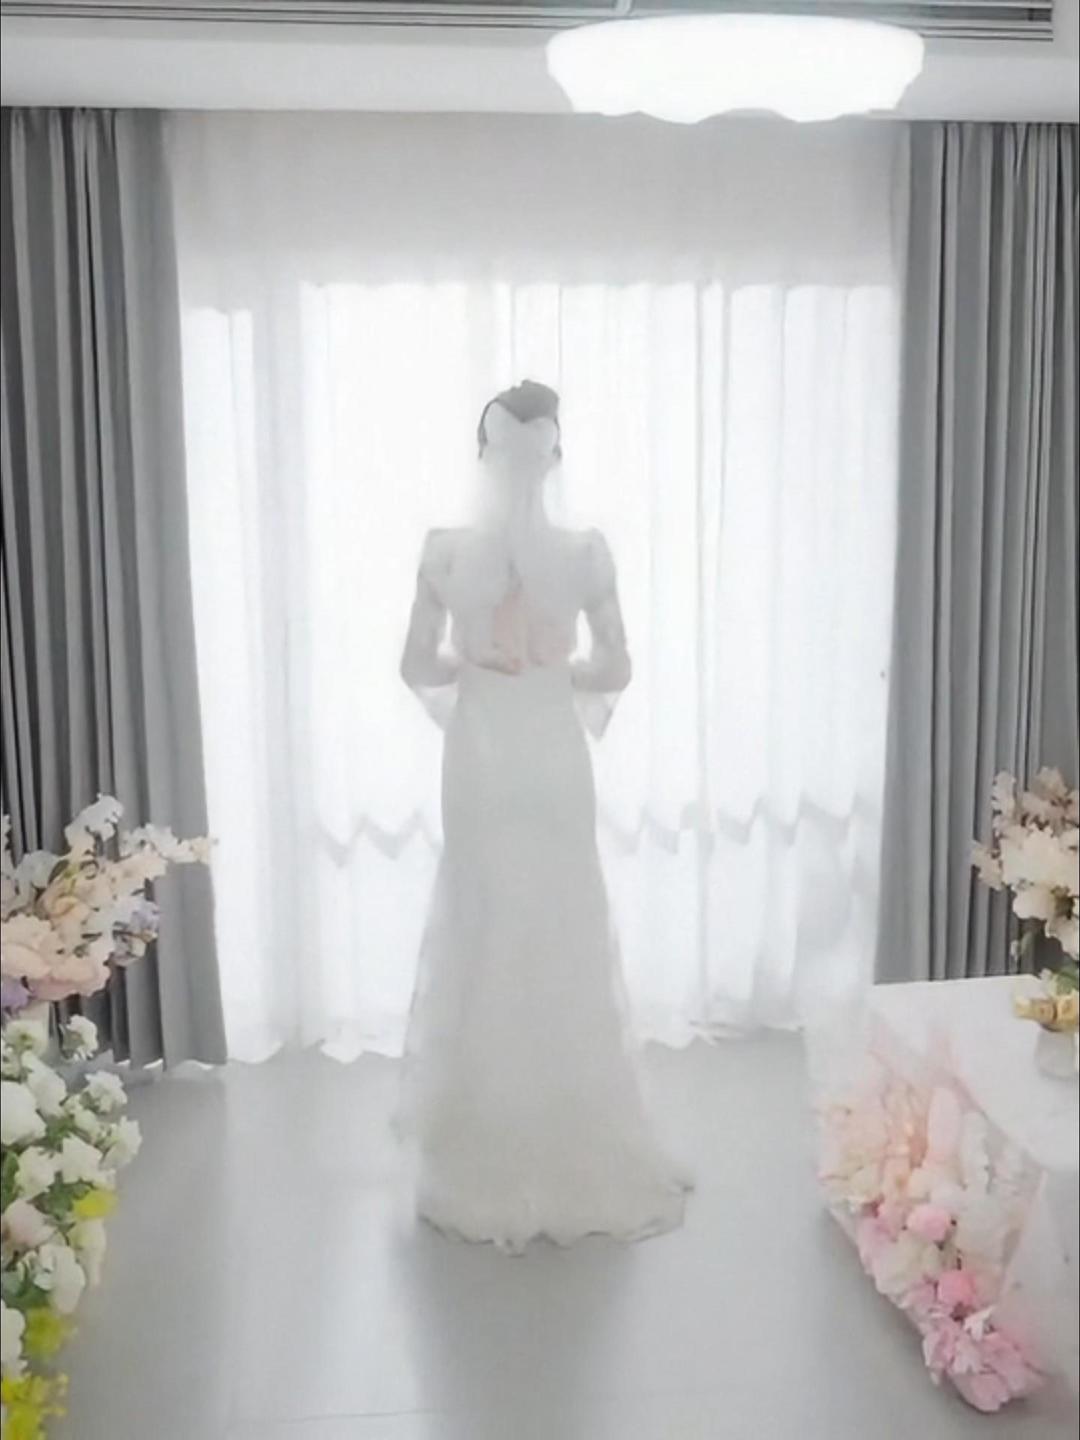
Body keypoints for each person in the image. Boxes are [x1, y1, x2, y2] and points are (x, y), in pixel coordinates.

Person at [399, 381, 687, 1252]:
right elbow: (617, 669)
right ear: (554, 457)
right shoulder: (586, 554)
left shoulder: (444, 552)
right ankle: (578, 1124)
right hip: (554, 755)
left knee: (483, 919)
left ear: (481, 453)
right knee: (562, 919)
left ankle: (483, 1136)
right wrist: (556, 675)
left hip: (481, 756)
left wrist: (477, 665)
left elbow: (416, 664)